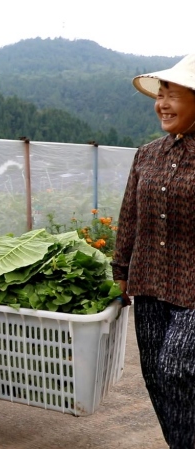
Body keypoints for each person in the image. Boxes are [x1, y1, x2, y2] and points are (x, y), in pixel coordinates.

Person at [113, 54, 195, 449]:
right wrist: (120, 270)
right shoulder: (147, 155)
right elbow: (130, 217)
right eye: (159, 95)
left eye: (172, 95)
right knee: (156, 376)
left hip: (193, 287)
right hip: (148, 283)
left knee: (178, 366)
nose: (161, 104)